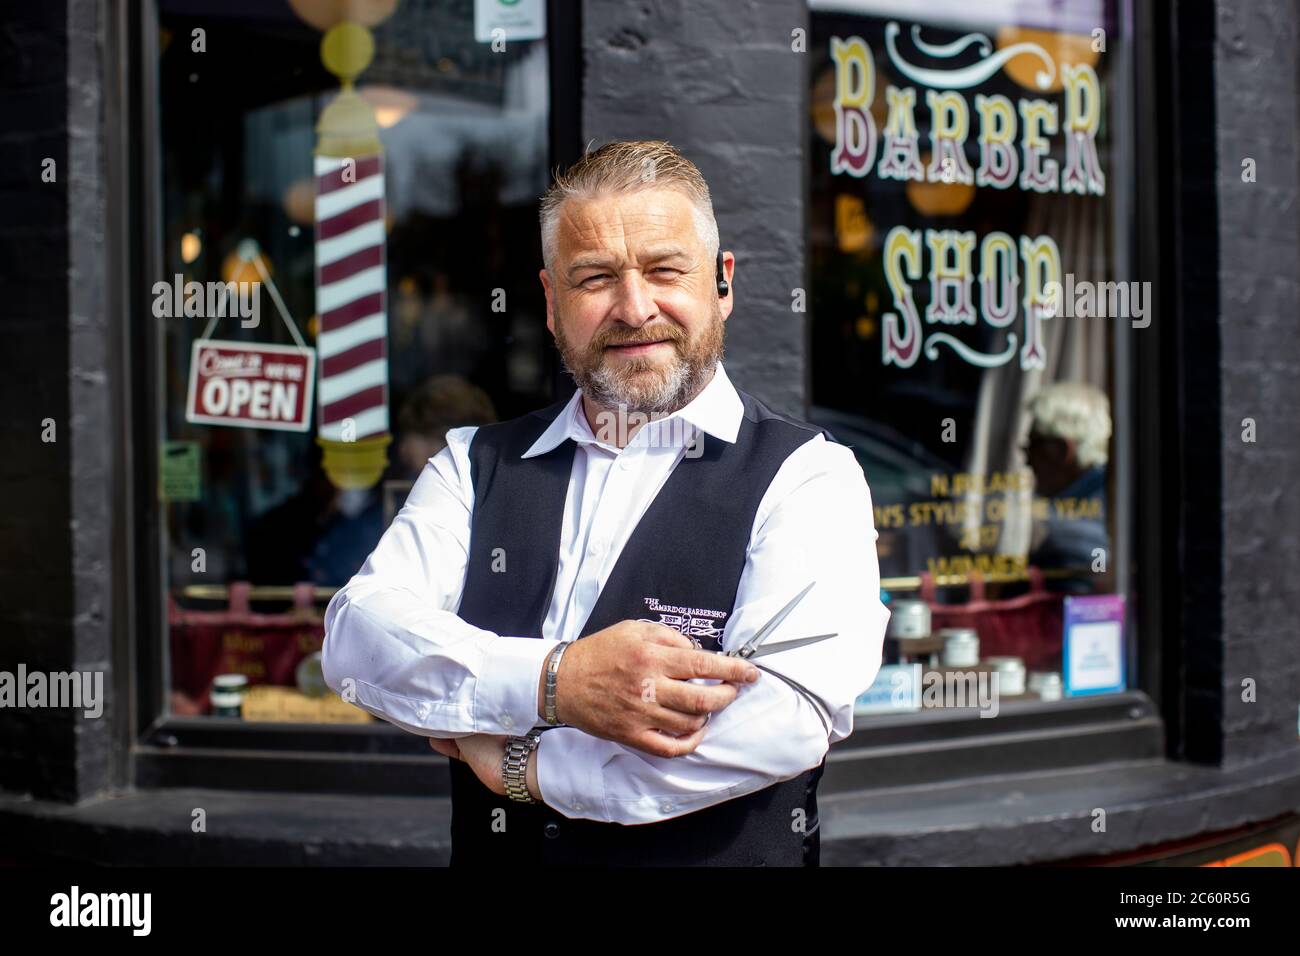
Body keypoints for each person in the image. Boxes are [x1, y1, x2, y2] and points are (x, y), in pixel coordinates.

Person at [321, 140, 889, 866]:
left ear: (722, 284)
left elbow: (781, 717)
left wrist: (524, 769)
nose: (635, 306)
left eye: (664, 270)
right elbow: (359, 636)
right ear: (553, 304)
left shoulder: (808, 477)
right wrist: (557, 681)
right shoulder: (474, 464)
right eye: (595, 278)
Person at [1021, 382, 1112, 594]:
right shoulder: (1114, 497)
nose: (1027, 459)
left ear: (1062, 449)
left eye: (1034, 445)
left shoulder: (1072, 537)